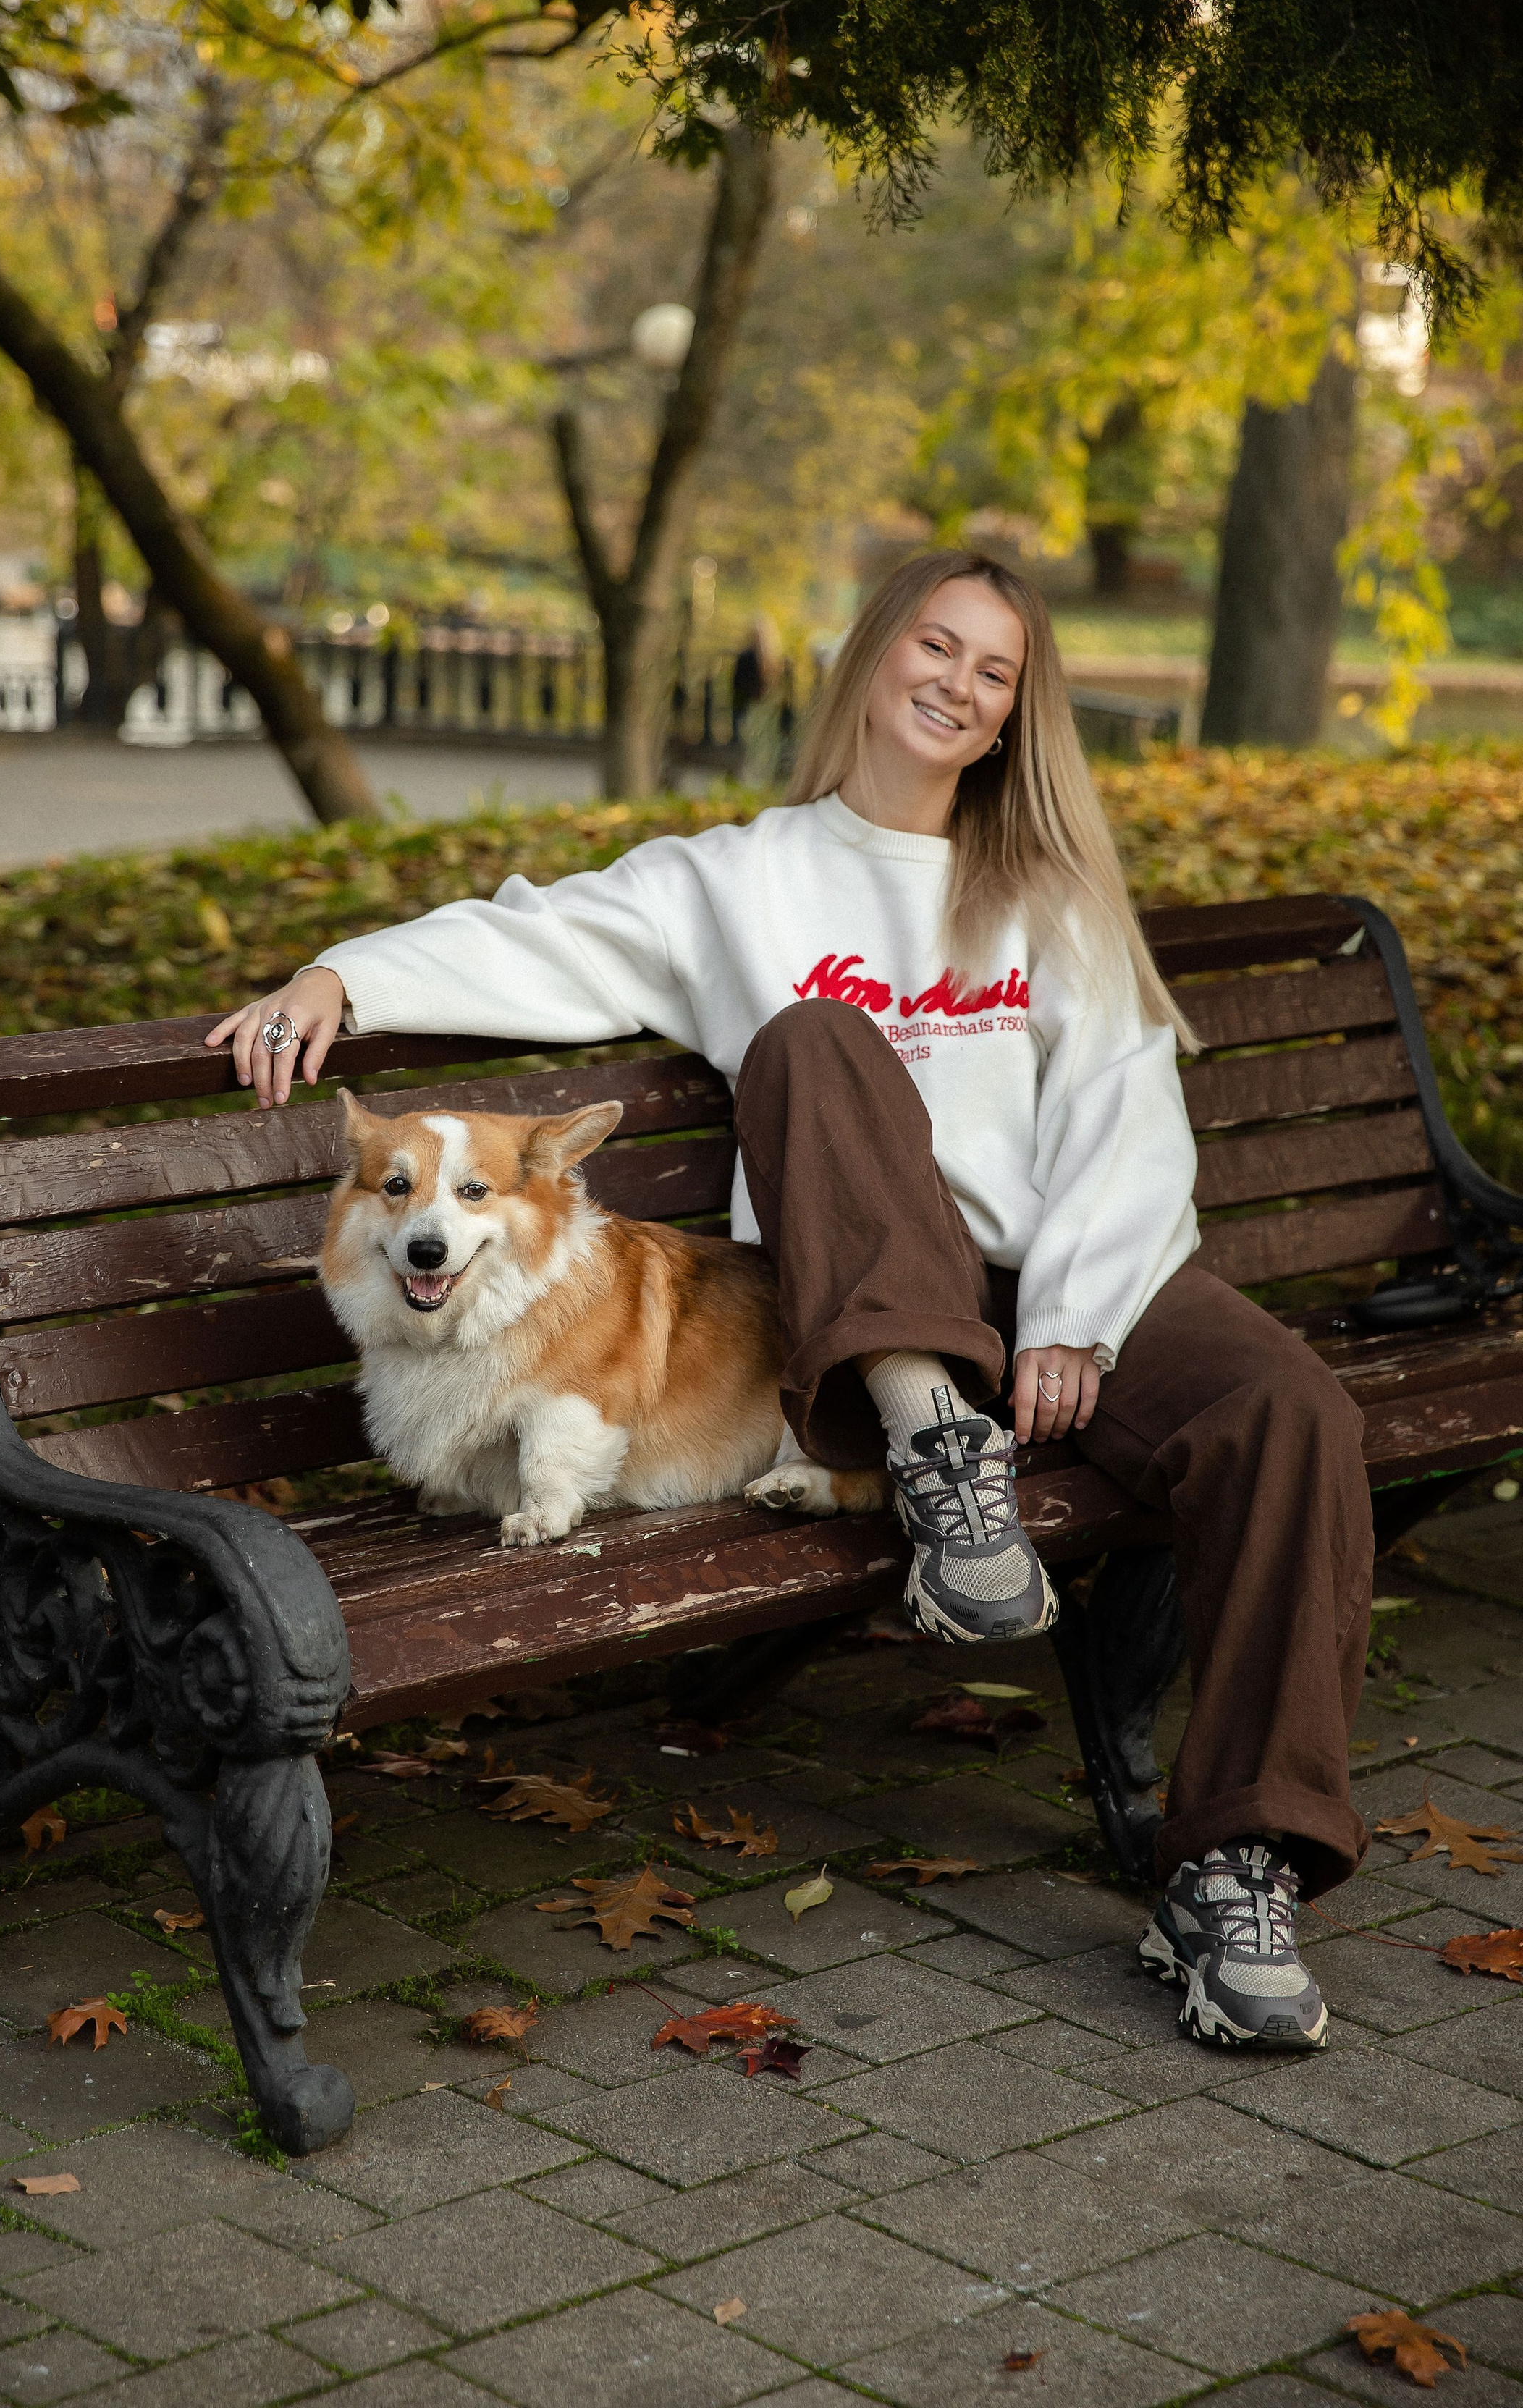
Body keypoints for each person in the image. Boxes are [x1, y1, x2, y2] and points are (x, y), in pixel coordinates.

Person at [210, 552, 1373, 2053]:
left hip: (1057, 1284)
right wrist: (337, 980)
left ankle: (1231, 1871)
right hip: (866, 1301)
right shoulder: (737, 878)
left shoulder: (1041, 892)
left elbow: (1123, 1112)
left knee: (1287, 1413)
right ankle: (930, 1448)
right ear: (869, 656)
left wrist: (1080, 1315)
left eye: (994, 671)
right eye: (932, 646)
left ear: (1018, 713)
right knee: (813, 1041)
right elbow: (536, 933)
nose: (955, 684)